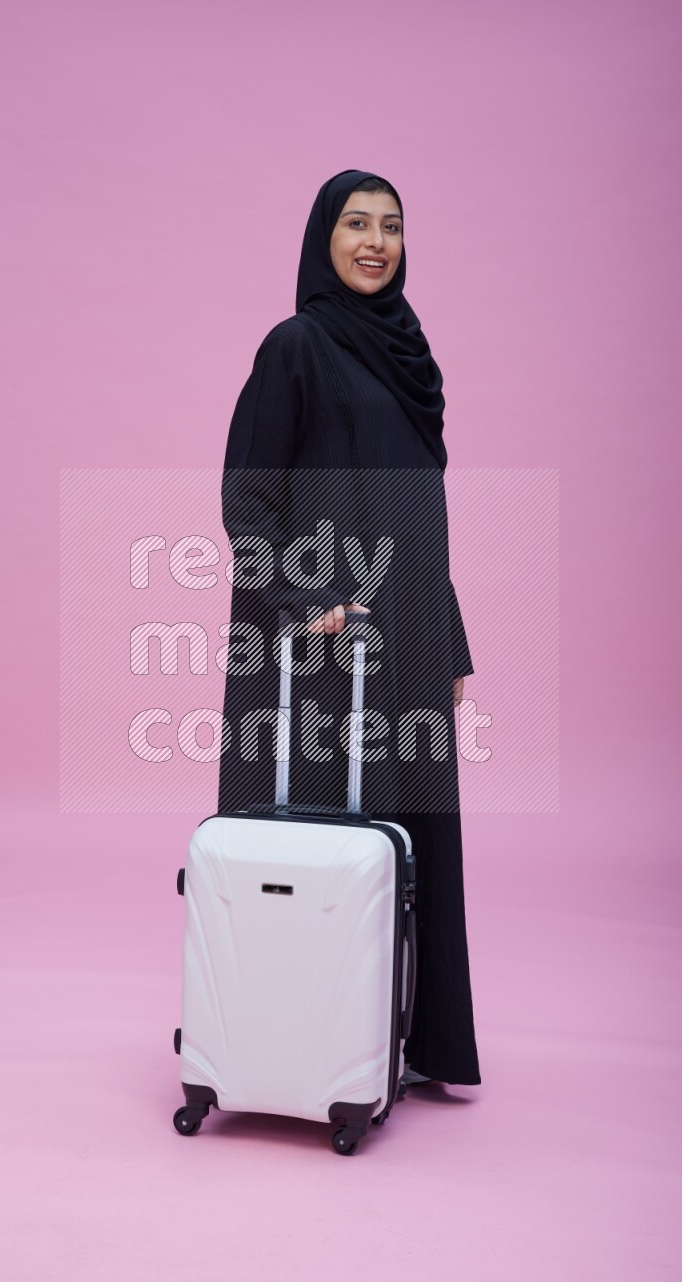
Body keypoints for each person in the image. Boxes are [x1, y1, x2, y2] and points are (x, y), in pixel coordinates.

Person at [217, 169, 480, 1088]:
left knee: (405, 841)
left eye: (392, 227)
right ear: (322, 237)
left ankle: (401, 1044)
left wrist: (447, 637)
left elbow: (422, 514)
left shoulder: (408, 349)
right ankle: (298, 1051)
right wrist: (303, 599)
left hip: (405, 630)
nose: (375, 242)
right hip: (323, 639)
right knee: (324, 840)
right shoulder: (296, 346)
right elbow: (248, 498)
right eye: (356, 224)